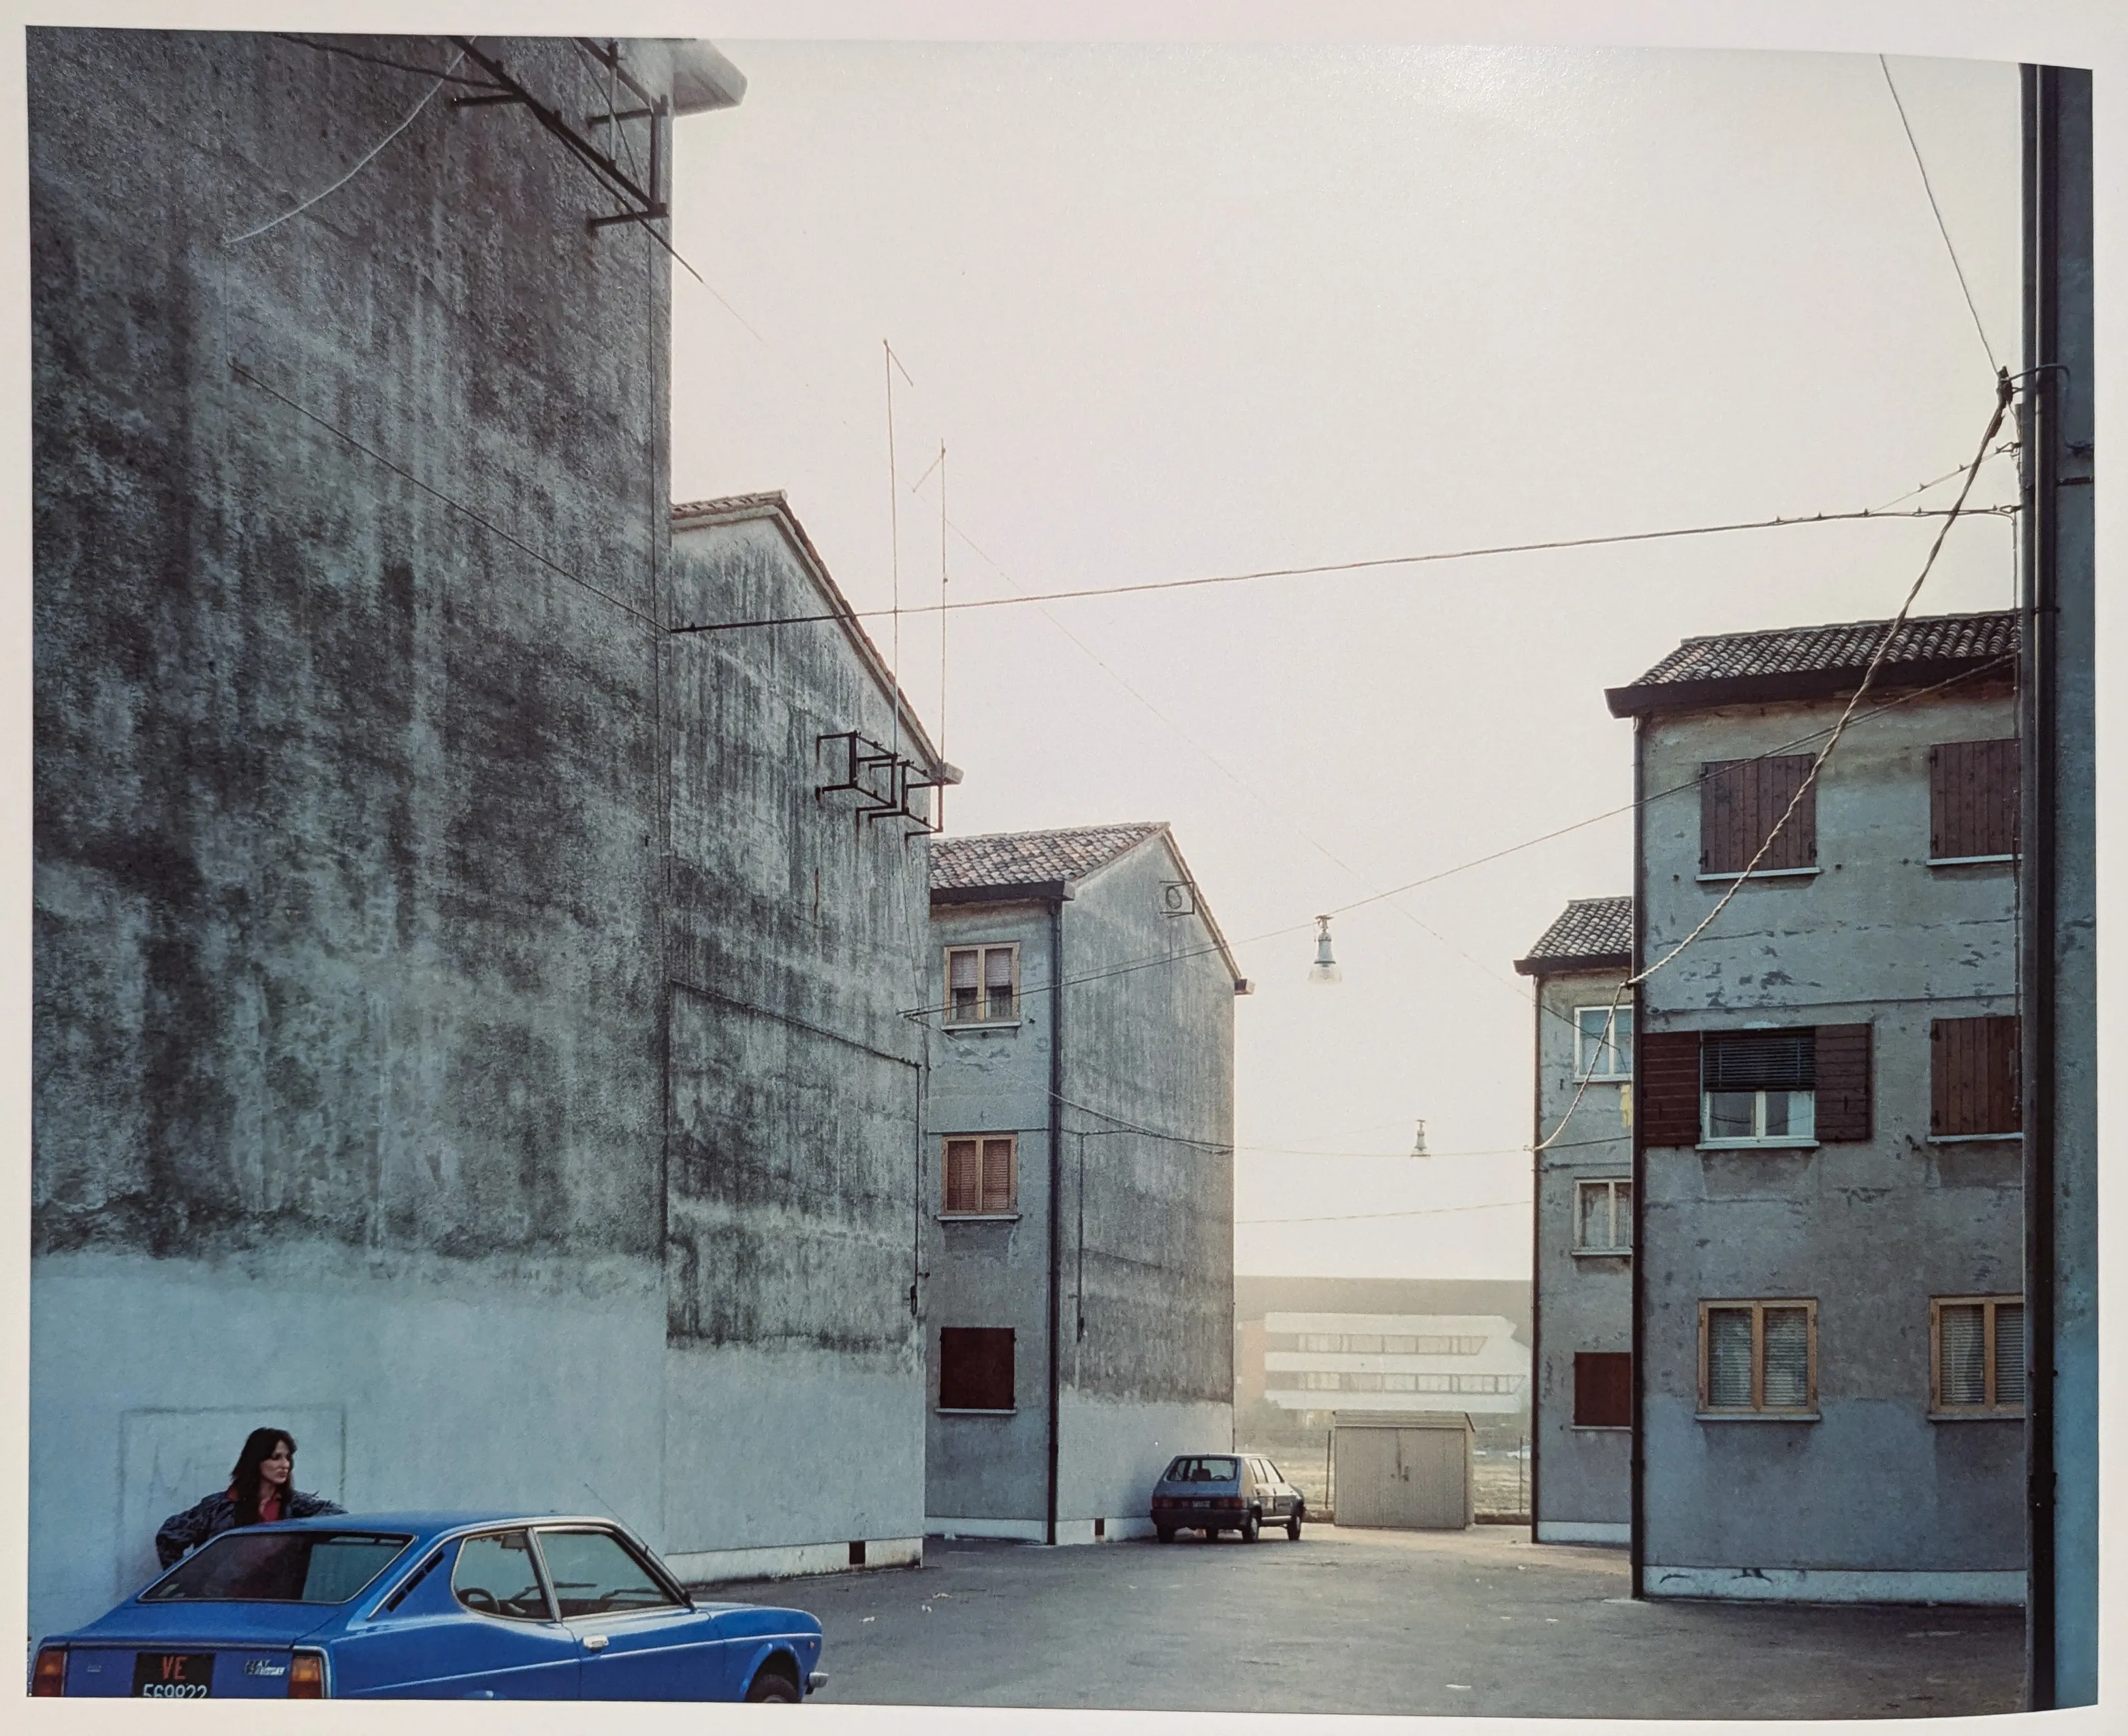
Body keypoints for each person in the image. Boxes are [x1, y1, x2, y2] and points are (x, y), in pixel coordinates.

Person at [155, 1427, 346, 1568]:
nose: (285, 1464)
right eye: (276, 1457)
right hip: (220, 1602)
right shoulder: (219, 1506)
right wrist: (183, 1585)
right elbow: (169, 1536)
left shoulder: (293, 1504)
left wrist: (294, 1533)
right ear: (256, 1460)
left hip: (277, 1602)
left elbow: (338, 1515)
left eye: (288, 1458)